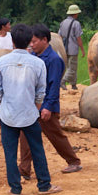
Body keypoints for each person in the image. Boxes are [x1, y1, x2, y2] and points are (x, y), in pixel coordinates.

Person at [0, 24, 59, 195]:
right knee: (37, 149)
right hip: (30, 115)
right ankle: (44, 185)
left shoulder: (1, 62)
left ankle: (15, 188)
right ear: (29, 41)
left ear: (12, 41)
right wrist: (35, 110)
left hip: (8, 114)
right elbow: (40, 92)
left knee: (10, 152)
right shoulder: (38, 63)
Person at [18, 22, 82, 180]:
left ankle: (73, 161)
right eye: (30, 42)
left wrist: (47, 107)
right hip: (31, 105)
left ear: (45, 40)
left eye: (34, 41)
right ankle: (24, 169)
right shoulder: (33, 56)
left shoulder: (54, 60)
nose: (31, 45)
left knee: (54, 135)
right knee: (25, 135)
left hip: (46, 106)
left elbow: (54, 86)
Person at [57, 5, 83, 90]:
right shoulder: (76, 24)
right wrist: (82, 49)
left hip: (64, 49)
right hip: (73, 49)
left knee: (69, 67)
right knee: (72, 68)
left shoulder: (63, 22)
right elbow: (78, 38)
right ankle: (62, 81)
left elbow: (59, 35)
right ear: (75, 14)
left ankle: (73, 84)